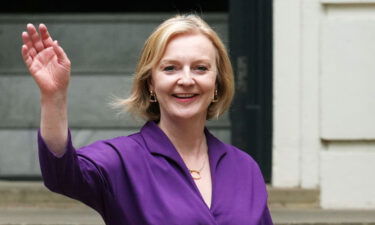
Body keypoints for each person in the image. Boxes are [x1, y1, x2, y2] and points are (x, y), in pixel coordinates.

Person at [21, 14, 273, 225]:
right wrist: (53, 96)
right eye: (170, 68)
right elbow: (61, 174)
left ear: (216, 84)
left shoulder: (245, 167)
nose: (186, 80)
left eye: (200, 68)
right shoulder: (122, 159)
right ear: (151, 83)